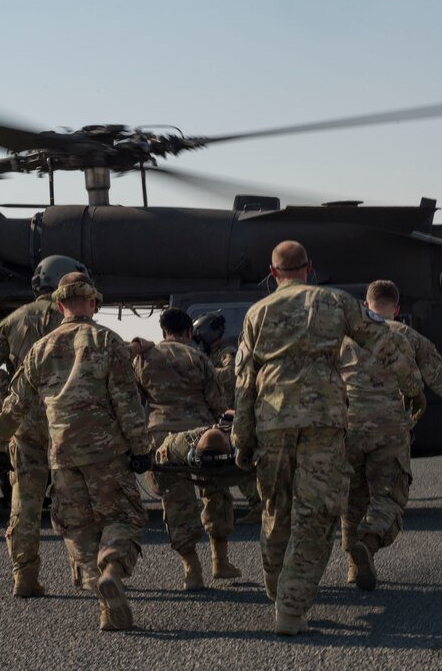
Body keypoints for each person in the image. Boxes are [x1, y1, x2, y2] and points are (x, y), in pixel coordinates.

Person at [231, 240, 426, 636]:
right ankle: (290, 606)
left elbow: (244, 380)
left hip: (272, 419)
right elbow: (383, 341)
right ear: (309, 268)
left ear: (273, 274)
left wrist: (242, 438)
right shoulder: (336, 302)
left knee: (275, 505)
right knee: (316, 513)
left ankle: (276, 583)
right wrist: (412, 386)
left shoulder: (257, 313)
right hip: (324, 420)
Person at [0, 272, 152, 632]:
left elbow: (15, 404)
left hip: (61, 455)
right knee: (123, 518)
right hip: (106, 453)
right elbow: (127, 402)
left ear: (60, 304)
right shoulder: (108, 341)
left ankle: (104, 601)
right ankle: (112, 569)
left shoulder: (40, 348)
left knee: (77, 528)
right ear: (93, 303)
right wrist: (141, 449)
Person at [341, 279, 442, 591]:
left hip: (347, 428)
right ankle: (367, 540)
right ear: (398, 308)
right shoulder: (407, 335)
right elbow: (440, 375)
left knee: (353, 499)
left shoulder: (345, 338)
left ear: (366, 306)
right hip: (390, 428)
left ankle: (354, 566)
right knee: (389, 496)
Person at [0, 255, 87, 598]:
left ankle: (24, 576)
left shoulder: (13, 320)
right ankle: (82, 570)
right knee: (74, 496)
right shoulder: (73, 318)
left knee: (25, 500)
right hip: (66, 420)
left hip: (24, 420)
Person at [132, 308, 241, 590]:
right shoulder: (198, 358)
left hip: (162, 439)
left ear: (163, 331)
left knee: (176, 500)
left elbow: (134, 403)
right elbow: (217, 405)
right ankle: (221, 561)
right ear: (189, 332)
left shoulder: (144, 359)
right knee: (216, 493)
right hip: (200, 437)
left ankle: (192, 569)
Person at [192, 311, 262, 524]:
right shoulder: (210, 356)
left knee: (237, 463)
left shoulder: (227, 352)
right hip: (221, 416)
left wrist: (206, 371)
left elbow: (231, 373)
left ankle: (257, 505)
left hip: (231, 417)